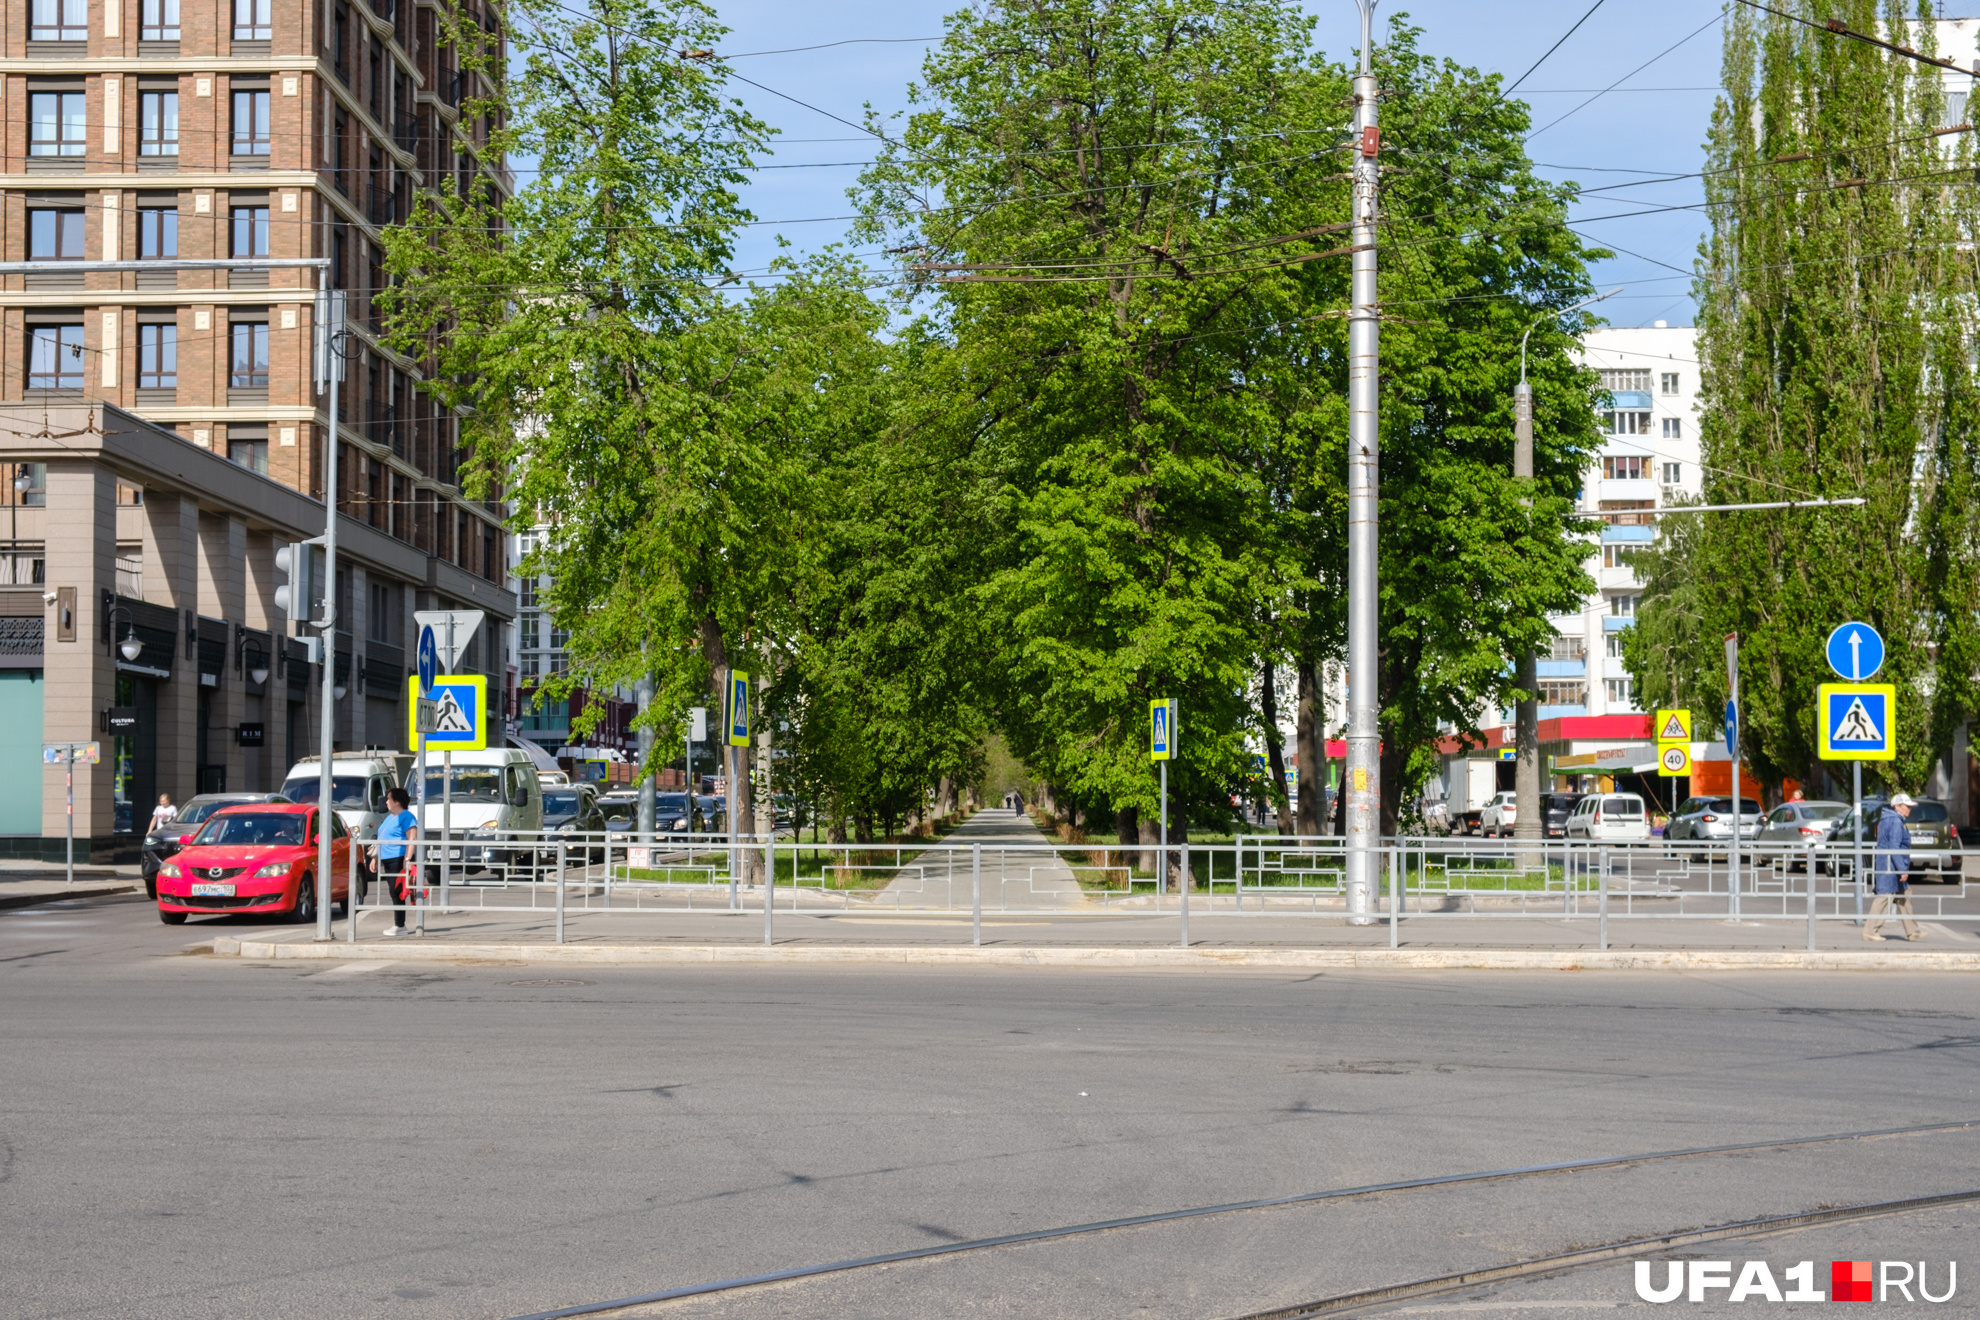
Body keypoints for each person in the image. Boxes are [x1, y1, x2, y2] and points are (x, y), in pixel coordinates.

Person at [1864, 792, 1923, 942]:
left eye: (1910, 807)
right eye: (1906, 806)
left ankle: (1912, 931)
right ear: (1897, 806)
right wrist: (1901, 869)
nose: (1909, 810)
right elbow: (1894, 847)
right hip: (1891, 867)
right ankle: (1870, 931)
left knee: (1904, 894)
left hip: (1888, 864)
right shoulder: (1896, 822)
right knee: (1884, 897)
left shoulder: (1887, 819)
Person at [368, 787, 419, 936]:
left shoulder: (407, 816)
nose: (386, 802)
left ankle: (400, 925)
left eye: (388, 799)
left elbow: (412, 838)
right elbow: (382, 837)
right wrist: (375, 858)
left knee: (396, 891)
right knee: (394, 891)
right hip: (388, 858)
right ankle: (399, 924)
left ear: (396, 802)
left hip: (398, 858)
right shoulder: (390, 817)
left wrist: (407, 859)